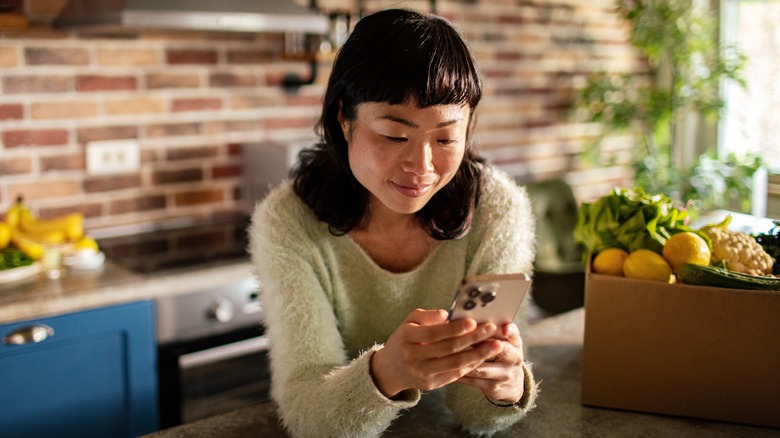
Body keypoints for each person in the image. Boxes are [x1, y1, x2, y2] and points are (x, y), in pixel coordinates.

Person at [249, 8, 538, 437]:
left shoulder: (496, 209)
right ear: (344, 119)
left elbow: (476, 413)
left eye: (445, 139)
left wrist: (506, 388)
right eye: (394, 136)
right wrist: (387, 373)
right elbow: (305, 411)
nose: (421, 166)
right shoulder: (289, 221)